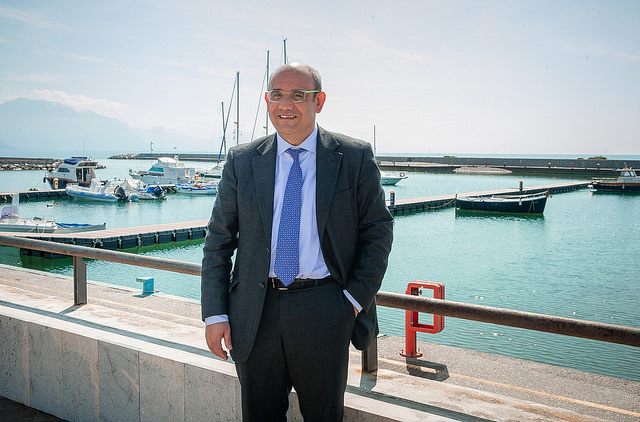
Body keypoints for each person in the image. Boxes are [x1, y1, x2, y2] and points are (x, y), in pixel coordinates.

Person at [201, 62, 393, 421]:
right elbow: (218, 240)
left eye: (298, 95)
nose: (285, 103)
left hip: (325, 309)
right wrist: (215, 313)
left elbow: (378, 233)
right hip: (253, 313)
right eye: (277, 94)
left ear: (318, 101)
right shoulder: (242, 160)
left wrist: (351, 302)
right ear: (267, 100)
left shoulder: (353, 157)